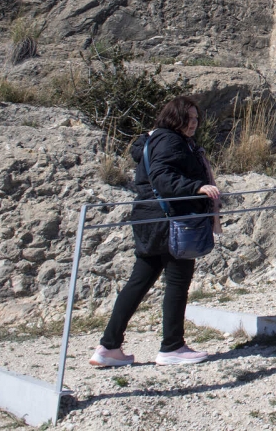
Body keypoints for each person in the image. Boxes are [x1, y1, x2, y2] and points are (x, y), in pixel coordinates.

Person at [90, 96, 220, 368]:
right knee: (178, 281)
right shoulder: (170, 140)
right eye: (189, 118)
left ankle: (109, 347)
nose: (194, 124)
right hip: (169, 220)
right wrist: (196, 187)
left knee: (139, 282)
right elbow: (162, 177)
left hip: (151, 220)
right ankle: (172, 346)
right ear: (176, 117)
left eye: (197, 118)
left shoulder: (155, 139)